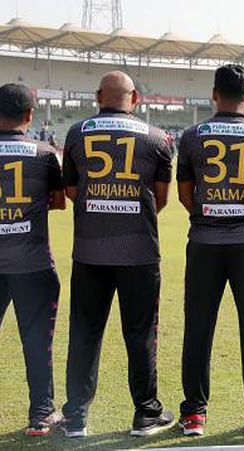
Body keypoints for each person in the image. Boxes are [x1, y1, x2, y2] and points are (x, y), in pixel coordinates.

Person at [61, 71, 174, 437]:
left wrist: (102, 205)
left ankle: (76, 418)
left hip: (90, 250)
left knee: (84, 333)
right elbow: (162, 198)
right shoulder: (157, 138)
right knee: (141, 334)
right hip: (139, 251)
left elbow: (72, 191)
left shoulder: (77, 133)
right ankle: (146, 414)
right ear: (135, 98)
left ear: (98, 96)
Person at [176, 64, 244, 436]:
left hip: (204, 243)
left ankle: (193, 414)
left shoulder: (191, 136)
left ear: (214, 94)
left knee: (198, 328)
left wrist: (209, 214)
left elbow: (185, 194)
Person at [0, 83, 65, 436]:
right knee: (38, 341)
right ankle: (41, 415)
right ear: (29, 116)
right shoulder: (43, 154)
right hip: (32, 263)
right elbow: (57, 201)